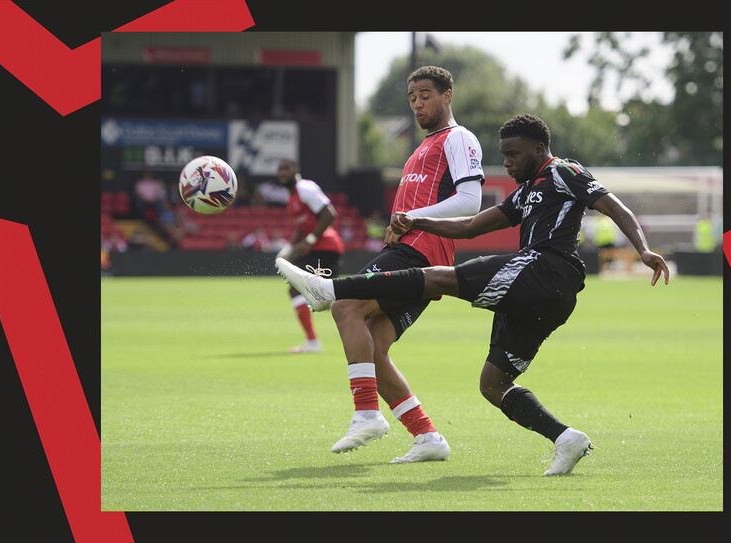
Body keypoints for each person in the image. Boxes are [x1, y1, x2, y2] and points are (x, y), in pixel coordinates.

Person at [276, 113, 670, 475]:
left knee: (437, 278)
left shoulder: (563, 170)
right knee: (493, 385)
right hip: (544, 297)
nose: (508, 162)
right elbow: (470, 227)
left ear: (538, 148)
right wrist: (417, 219)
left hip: (547, 270)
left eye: (514, 155)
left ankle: (331, 288)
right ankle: (566, 439)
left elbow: (614, 206)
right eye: (505, 155)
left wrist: (643, 248)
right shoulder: (525, 191)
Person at [280, 66, 484, 464]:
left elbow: (470, 202)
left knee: (344, 306)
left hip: (422, 252)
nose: (418, 103)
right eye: (412, 98)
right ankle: (427, 437)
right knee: (373, 346)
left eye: (426, 94)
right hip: (416, 251)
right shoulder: (421, 149)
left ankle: (367, 412)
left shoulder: (457, 138)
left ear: (447, 95)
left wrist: (414, 218)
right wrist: (401, 222)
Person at [273, 158, 345, 354]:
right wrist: (288, 248)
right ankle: (314, 341)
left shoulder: (305, 188)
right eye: (280, 169)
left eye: (286, 168)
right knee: (327, 295)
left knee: (313, 293)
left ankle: (313, 342)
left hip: (326, 248)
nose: (282, 172)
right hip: (316, 249)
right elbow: (301, 228)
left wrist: (310, 240)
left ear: (296, 169)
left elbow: (329, 213)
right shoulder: (291, 198)